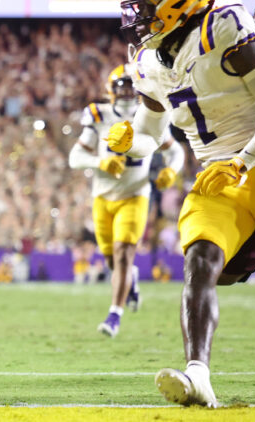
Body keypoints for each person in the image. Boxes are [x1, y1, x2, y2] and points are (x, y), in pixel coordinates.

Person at [108, 0, 255, 407]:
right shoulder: (147, 61)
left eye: (145, 7)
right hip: (217, 173)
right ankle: (198, 375)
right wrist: (131, 141)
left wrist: (243, 161)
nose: (136, 18)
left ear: (176, 1)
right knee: (201, 258)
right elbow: (150, 134)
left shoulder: (222, 27)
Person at [69, 64, 184, 337]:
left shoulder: (149, 116)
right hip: (103, 196)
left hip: (135, 194)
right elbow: (75, 158)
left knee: (123, 252)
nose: (128, 91)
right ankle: (130, 280)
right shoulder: (99, 115)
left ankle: (114, 315)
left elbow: (175, 151)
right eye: (122, 86)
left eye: (132, 85)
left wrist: (170, 171)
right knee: (112, 259)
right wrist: (101, 162)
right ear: (111, 89)